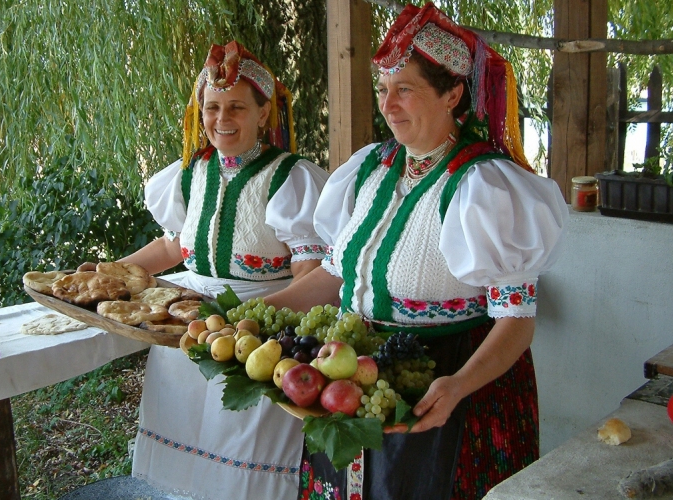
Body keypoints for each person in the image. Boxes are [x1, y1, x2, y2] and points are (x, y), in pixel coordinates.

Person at [265, 3, 569, 499]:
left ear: (452, 93)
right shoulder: (370, 170)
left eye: (405, 89)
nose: (388, 105)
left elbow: (517, 320)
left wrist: (458, 386)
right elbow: (335, 275)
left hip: (445, 388)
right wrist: (246, 315)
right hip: (350, 373)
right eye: (383, 89)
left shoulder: (485, 186)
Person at [84, 41, 329, 499]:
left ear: (264, 113)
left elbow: (309, 273)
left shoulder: (290, 178)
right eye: (212, 107)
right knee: (177, 452)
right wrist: (106, 273)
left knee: (243, 454)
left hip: (254, 330)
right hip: (184, 326)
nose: (221, 119)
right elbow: (171, 246)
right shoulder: (189, 172)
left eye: (236, 106)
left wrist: (277, 335)